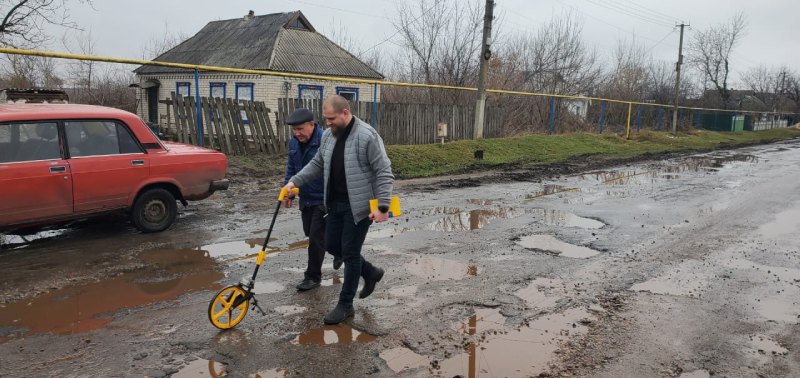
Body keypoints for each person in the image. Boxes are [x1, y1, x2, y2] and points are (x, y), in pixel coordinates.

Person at [282, 95, 394, 325]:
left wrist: (384, 206)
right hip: (334, 202)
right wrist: (295, 182)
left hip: (360, 205)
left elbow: (384, 171)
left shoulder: (367, 136)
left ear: (345, 112)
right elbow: (317, 164)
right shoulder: (329, 137)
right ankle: (370, 271)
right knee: (332, 244)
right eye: (325, 119)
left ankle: (346, 304)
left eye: (331, 118)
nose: (328, 123)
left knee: (350, 253)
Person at [283, 108, 342, 291]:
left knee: (316, 239)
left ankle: (312, 277)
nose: (297, 133)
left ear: (312, 124)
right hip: (306, 198)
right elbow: (291, 168)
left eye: (300, 128)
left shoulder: (326, 140)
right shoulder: (294, 143)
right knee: (310, 232)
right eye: (294, 130)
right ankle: (338, 249)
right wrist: (289, 188)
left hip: (323, 198)